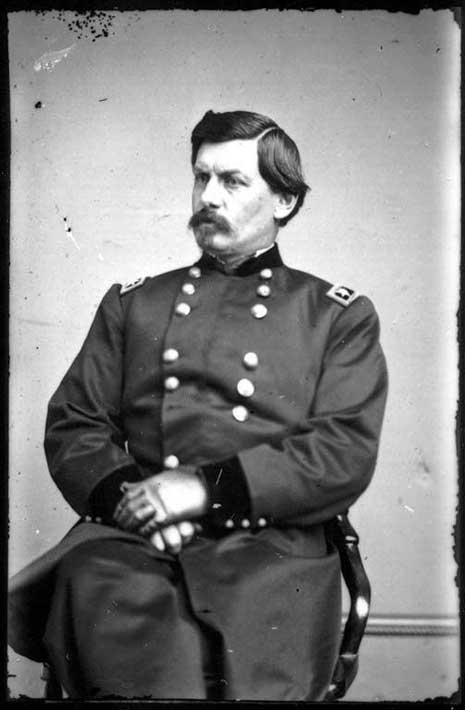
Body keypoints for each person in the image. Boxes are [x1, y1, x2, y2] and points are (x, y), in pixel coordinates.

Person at [8, 109, 388, 701]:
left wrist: (203, 488)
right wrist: (130, 500)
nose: (208, 196)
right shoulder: (133, 304)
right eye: (201, 177)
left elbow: (343, 450)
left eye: (233, 181)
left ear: (283, 201)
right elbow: (74, 421)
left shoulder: (335, 315)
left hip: (270, 551)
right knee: (98, 587)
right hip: (133, 543)